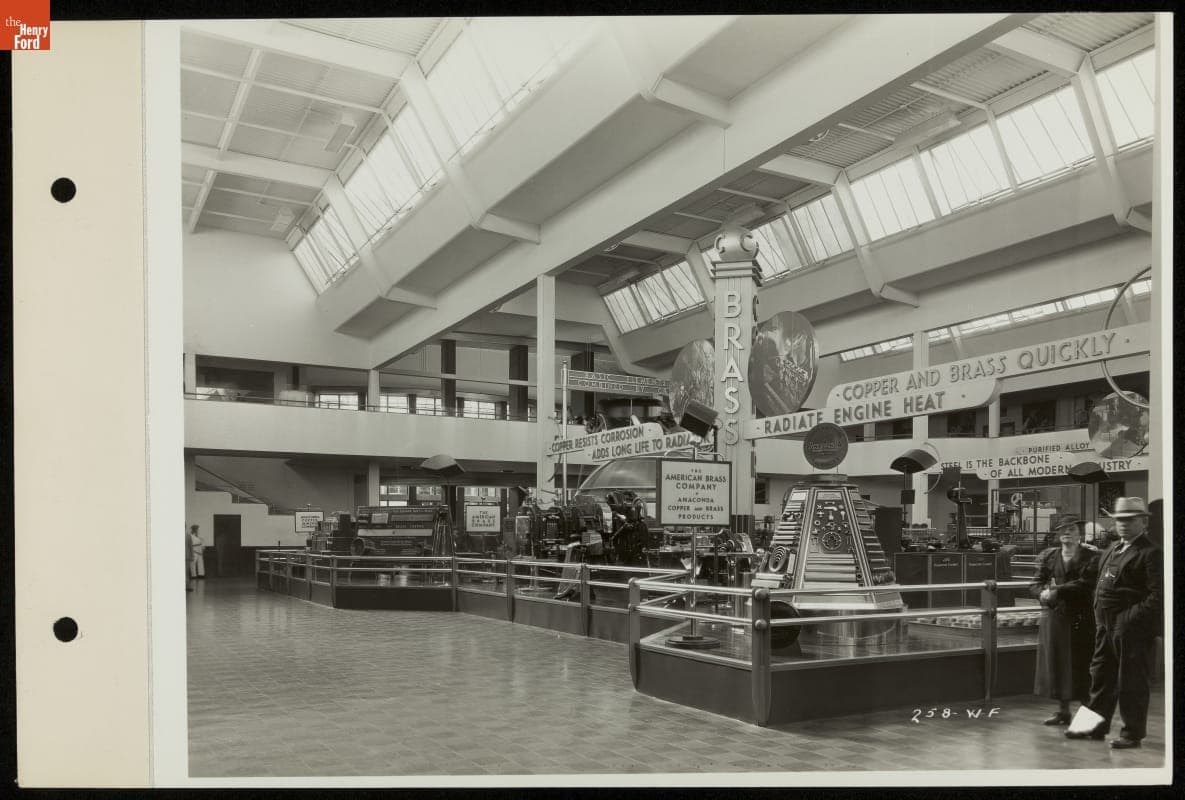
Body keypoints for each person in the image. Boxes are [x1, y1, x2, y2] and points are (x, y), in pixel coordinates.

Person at [1065, 497, 1163, 749]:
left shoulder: (1151, 553)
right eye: (1119, 519)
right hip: (1105, 626)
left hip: (1131, 630)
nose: (1123, 524)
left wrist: (1127, 621)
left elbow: (1158, 597)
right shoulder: (1112, 549)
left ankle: (1131, 734)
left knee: (1132, 680)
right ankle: (1092, 727)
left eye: (1130, 520)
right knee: (1100, 676)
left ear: (1143, 522)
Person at [1030, 516, 1098, 725]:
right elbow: (1035, 582)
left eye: (1072, 529)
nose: (1067, 533)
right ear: (1058, 534)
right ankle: (1063, 711)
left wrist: (1056, 591)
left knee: (1082, 665)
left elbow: (1086, 583)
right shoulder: (1050, 556)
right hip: (1056, 619)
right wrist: (1041, 593)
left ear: (1080, 533)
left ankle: (1088, 715)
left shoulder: (1092, 557)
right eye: (1063, 529)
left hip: (1082, 618)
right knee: (1059, 664)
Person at [185, 528, 195, 593]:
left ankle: (187, 586)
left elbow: (190, 546)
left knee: (186, 572)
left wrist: (192, 556)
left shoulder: (188, 536)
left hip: (186, 556)